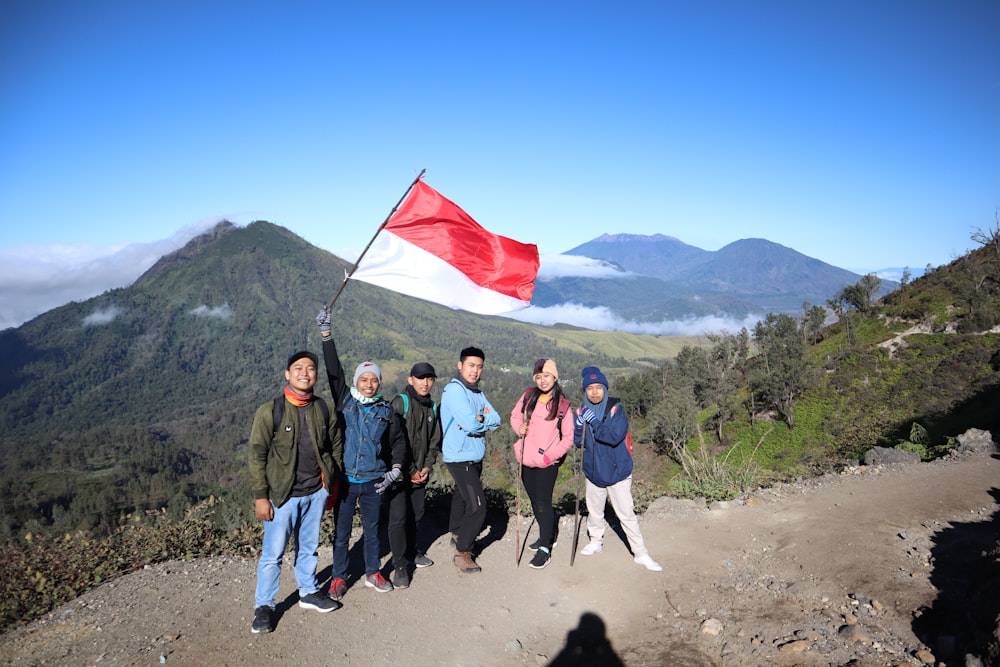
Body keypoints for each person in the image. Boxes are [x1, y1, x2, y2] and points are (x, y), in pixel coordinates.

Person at [248, 350, 345, 634]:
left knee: (309, 547)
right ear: (287, 374)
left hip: (315, 492)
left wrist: (330, 481)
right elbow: (256, 455)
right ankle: (264, 606)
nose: (305, 372)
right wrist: (261, 496)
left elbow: (335, 445)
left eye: (311, 368)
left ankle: (308, 591)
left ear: (316, 375)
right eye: (298, 368)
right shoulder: (271, 411)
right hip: (282, 496)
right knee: (273, 553)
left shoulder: (323, 408)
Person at [317, 309, 408, 598]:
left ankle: (373, 572)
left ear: (379, 383)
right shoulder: (345, 401)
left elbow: (399, 444)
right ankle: (338, 577)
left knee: (372, 531)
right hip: (345, 481)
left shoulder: (386, 411)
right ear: (356, 381)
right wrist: (326, 335)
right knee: (341, 534)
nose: (369, 384)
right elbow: (334, 372)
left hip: (373, 481)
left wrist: (394, 470)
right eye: (364, 379)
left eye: (374, 380)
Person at [574, 365, 662, 572]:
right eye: (590, 388)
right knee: (595, 511)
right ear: (585, 391)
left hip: (617, 473)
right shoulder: (581, 411)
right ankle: (596, 541)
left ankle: (640, 553)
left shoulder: (616, 409)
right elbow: (579, 443)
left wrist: (593, 421)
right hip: (593, 471)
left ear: (605, 389)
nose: (594, 392)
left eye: (598, 387)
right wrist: (579, 426)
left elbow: (614, 437)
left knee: (625, 513)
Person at [440, 346, 501, 573]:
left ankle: (456, 532)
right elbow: (472, 424)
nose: (475, 371)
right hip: (460, 457)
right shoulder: (454, 391)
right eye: (471, 366)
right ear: (460, 365)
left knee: (463, 497)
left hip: (473, 455)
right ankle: (463, 551)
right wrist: (479, 421)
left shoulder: (477, 392)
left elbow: (496, 419)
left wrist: (480, 418)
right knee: (478, 505)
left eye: (479, 367)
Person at [509, 358, 573, 569]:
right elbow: (514, 417)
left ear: (555, 377)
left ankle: (545, 546)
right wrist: (519, 429)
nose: (542, 380)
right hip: (526, 460)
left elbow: (568, 438)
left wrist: (549, 457)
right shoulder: (528, 396)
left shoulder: (562, 405)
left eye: (546, 375)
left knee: (544, 503)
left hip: (547, 464)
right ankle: (546, 534)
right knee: (535, 502)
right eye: (538, 376)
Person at [386, 361, 443, 589]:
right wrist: (408, 471)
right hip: (399, 475)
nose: (425, 383)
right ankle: (400, 565)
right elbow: (392, 442)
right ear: (411, 380)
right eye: (421, 378)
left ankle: (412, 551)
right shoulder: (401, 403)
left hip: (420, 473)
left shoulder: (432, 407)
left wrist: (427, 466)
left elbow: (434, 441)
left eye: (429, 378)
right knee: (398, 518)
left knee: (416, 514)